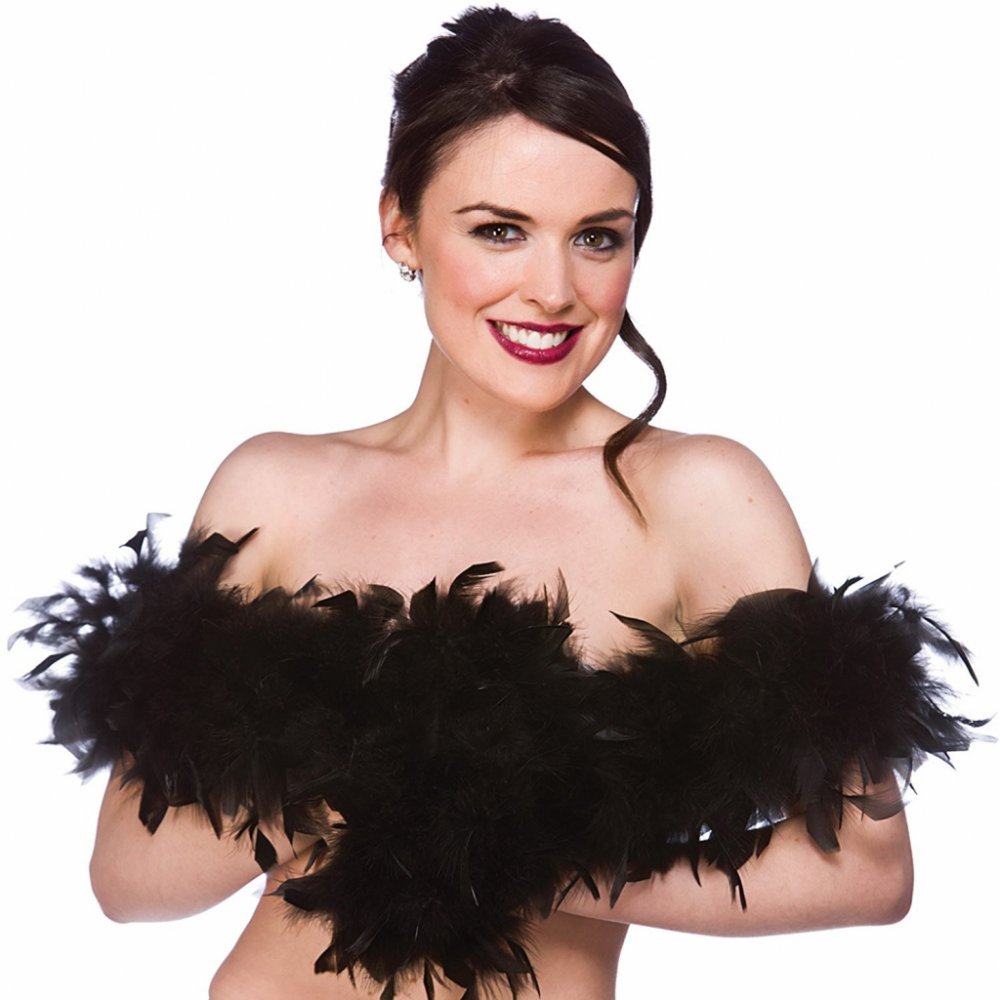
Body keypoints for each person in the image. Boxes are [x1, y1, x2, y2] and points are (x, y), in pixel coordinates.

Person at [18, 7, 977, 1000]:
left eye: (597, 238)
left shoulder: (697, 497)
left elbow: (868, 869)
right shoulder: (275, 489)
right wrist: (347, 779)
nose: (553, 290)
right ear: (400, 225)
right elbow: (126, 881)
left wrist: (523, 856)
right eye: (500, 231)